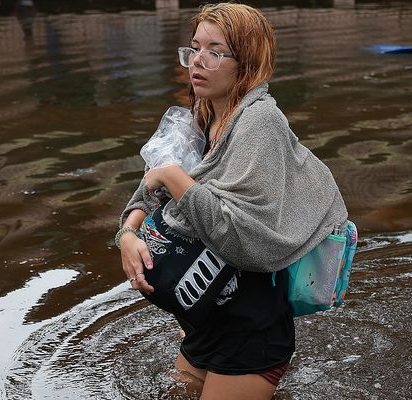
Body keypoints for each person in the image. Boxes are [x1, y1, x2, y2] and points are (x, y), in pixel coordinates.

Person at [116, 3, 347, 399]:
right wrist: (127, 233)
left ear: (248, 63)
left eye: (215, 52)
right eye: (194, 48)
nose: (197, 61)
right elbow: (148, 189)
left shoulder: (261, 123)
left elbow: (244, 238)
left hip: (250, 327)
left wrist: (174, 178)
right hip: (205, 315)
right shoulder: (202, 113)